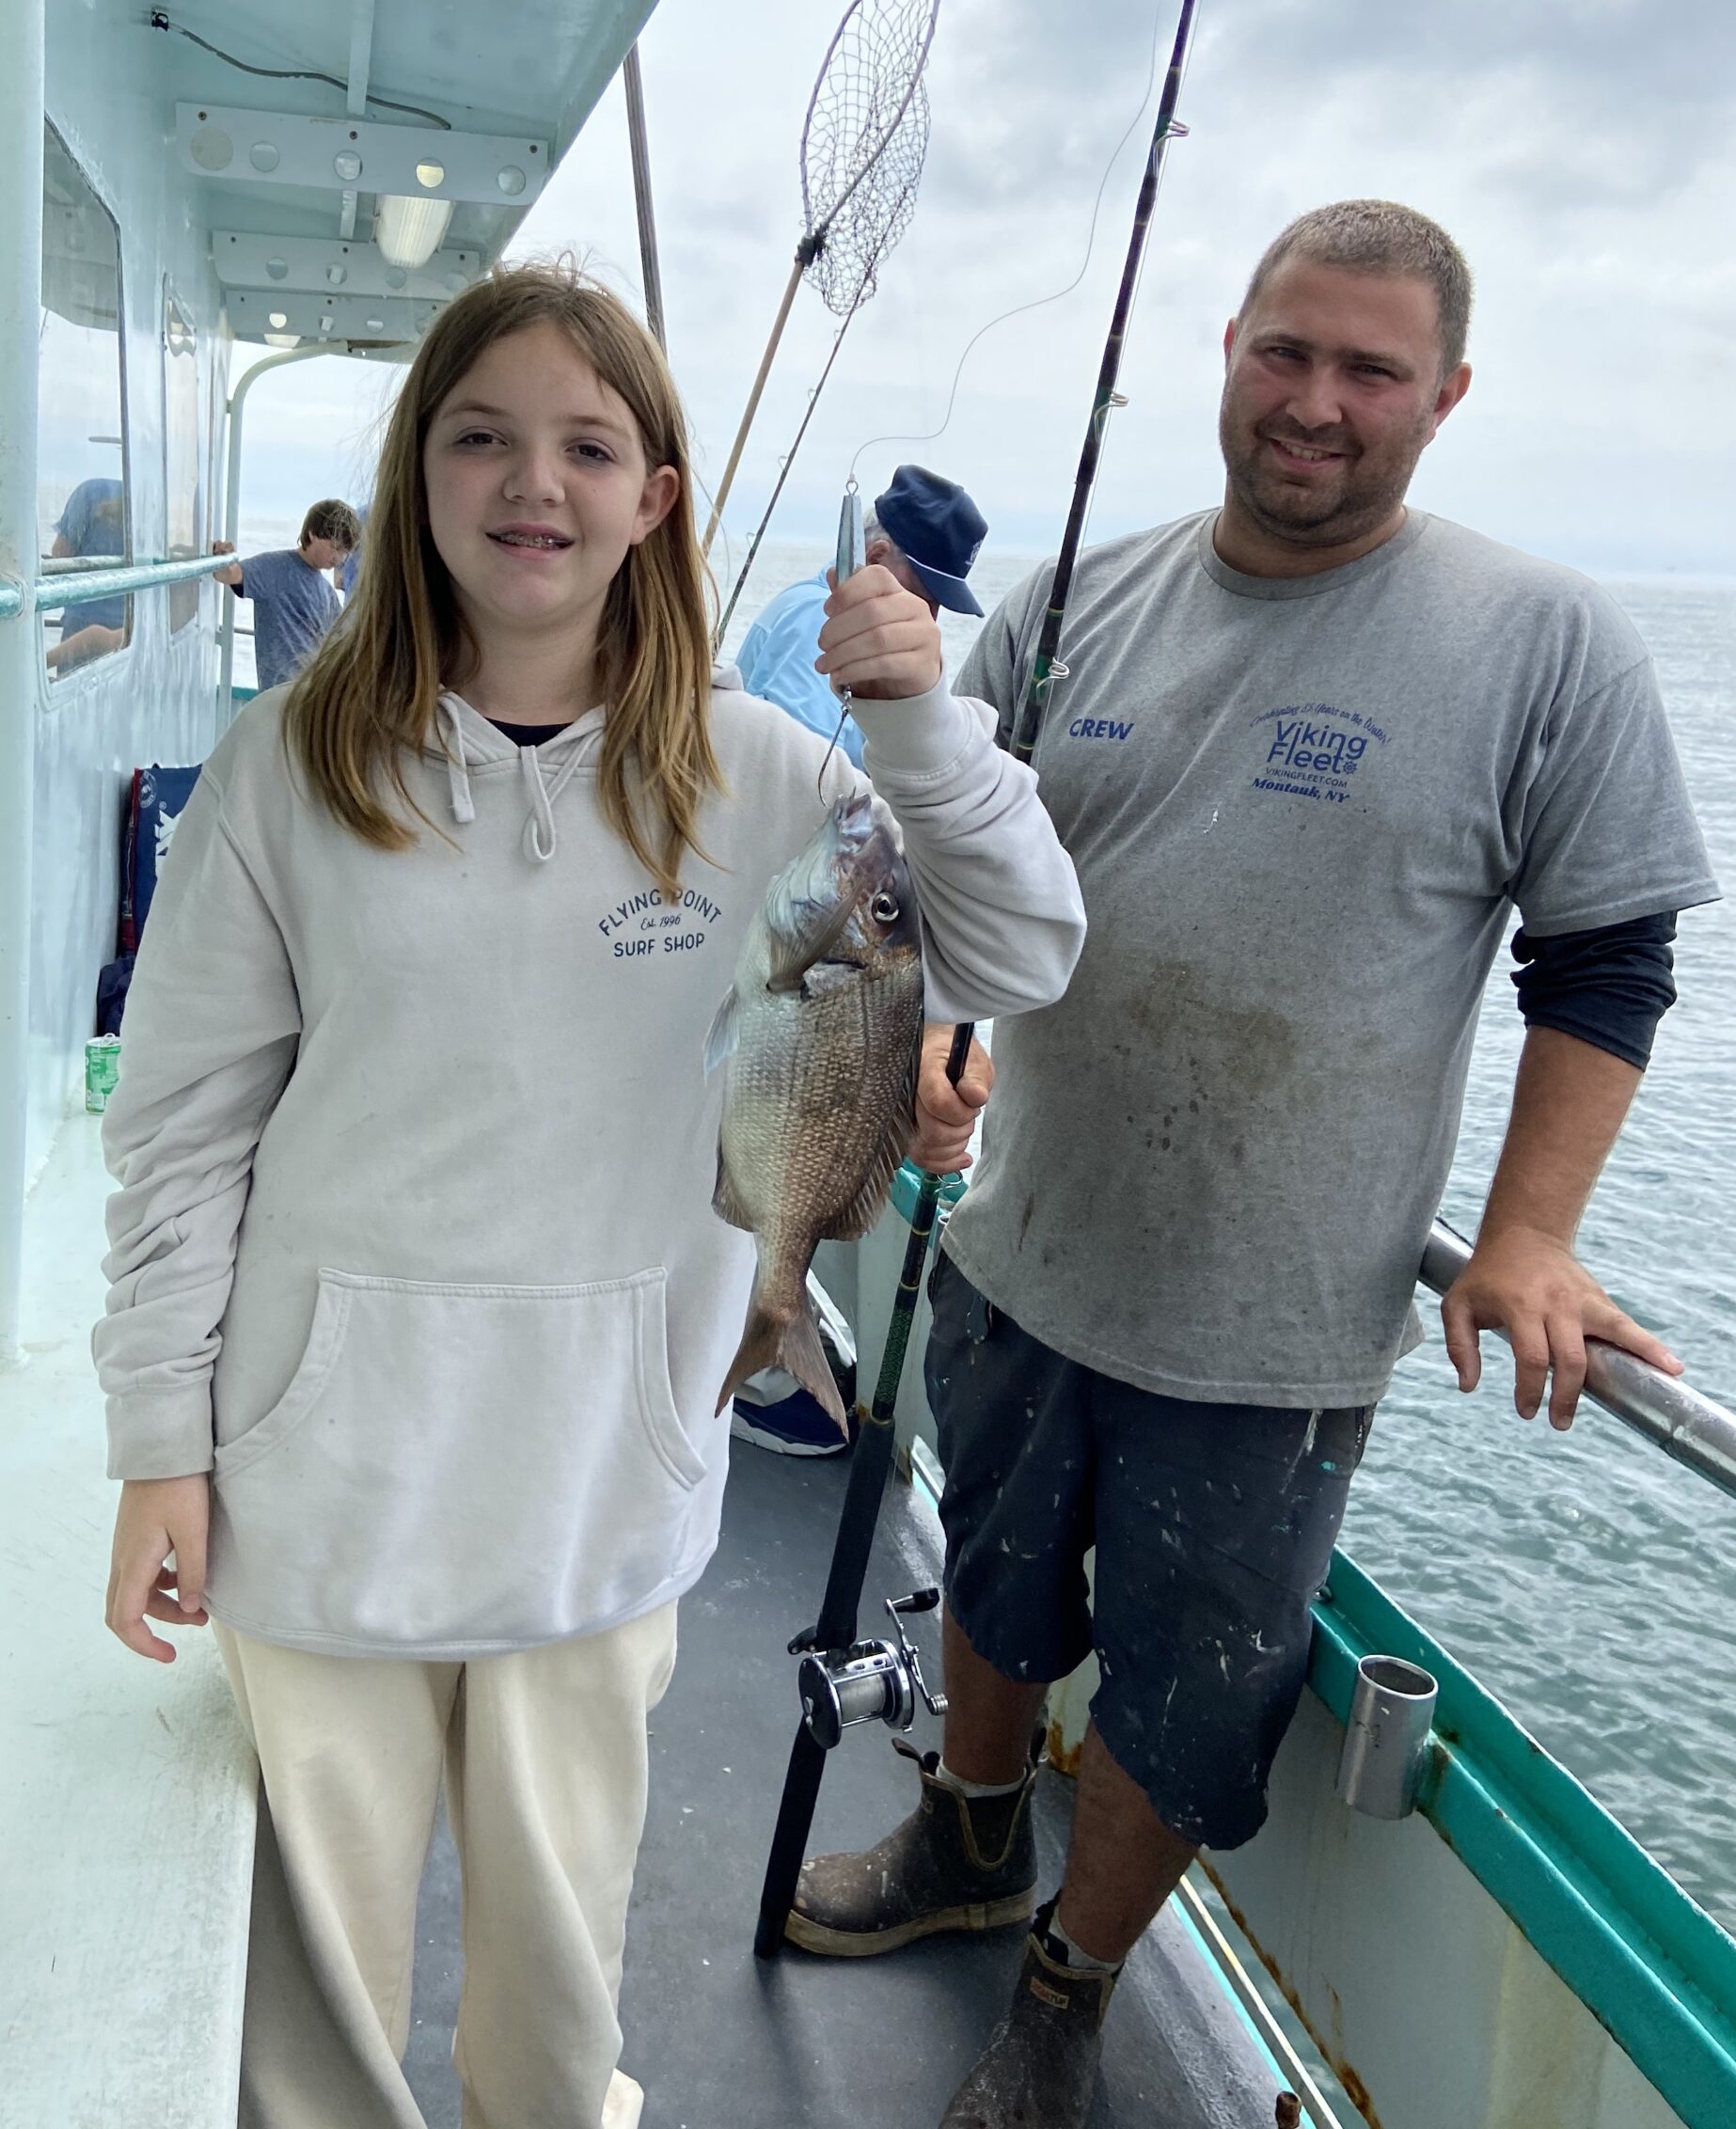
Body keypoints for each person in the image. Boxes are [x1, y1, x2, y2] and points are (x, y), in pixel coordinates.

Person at [94, 262, 1083, 2129]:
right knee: (309, 2008)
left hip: (602, 1488)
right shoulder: (286, 766)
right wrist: (164, 1440)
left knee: (556, 1991)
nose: (531, 481)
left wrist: (919, 724)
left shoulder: (774, 780)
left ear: (655, 497)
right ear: (416, 477)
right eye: (479, 436)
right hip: (321, 1488)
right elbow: (184, 1129)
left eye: (587, 446)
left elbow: (1023, 949)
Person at [785, 199, 1719, 2129]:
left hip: (1270, 1322)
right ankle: (967, 1838)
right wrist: (944, 1036)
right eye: (1285, 350)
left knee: (1187, 1689)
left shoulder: (1541, 641)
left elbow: (1606, 958)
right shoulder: (1073, 599)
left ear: (1445, 395)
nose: (1315, 399)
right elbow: (958, 864)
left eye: (1370, 370)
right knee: (992, 1579)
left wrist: (1530, 1233)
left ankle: (1066, 1994)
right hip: (1025, 1239)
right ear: (1224, 348)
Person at [735, 465, 987, 765]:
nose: (929, 617)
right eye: (924, 594)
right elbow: (806, 771)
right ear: (875, 558)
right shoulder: (821, 620)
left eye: (940, 604)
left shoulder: (829, 614)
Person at [212, 497, 358, 689]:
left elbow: (341, 644)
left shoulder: (328, 593)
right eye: (335, 547)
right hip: (278, 696)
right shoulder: (273, 568)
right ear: (312, 534)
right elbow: (229, 574)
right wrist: (224, 558)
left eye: (345, 552)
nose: (339, 557)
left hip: (313, 694)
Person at [45, 477, 128, 671]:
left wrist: (38, 666)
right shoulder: (149, 503)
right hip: (129, 627)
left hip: (79, 630)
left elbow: (60, 555)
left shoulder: (90, 492)